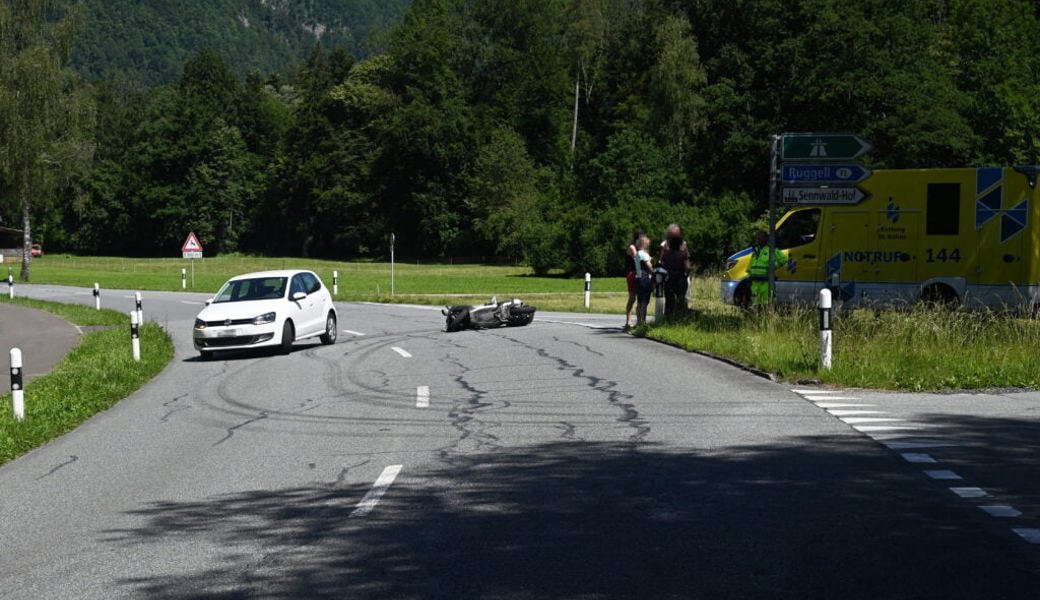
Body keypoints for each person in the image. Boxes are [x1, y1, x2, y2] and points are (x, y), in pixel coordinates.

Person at [658, 224, 692, 318]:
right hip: (680, 277)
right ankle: (680, 318)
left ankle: (668, 319)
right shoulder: (683, 252)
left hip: (669, 277)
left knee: (669, 300)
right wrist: (686, 274)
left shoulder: (666, 252)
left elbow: (661, 262)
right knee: (681, 299)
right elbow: (688, 267)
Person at [748, 229, 788, 307]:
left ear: (765, 239)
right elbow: (750, 267)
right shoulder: (755, 251)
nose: (758, 239)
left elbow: (783, 260)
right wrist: (749, 278)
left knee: (766, 305)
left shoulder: (771, 250)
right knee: (755, 305)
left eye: (760, 237)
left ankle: (766, 317)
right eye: (757, 237)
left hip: (765, 283)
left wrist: (773, 267)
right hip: (755, 284)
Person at [624, 228, 644, 329]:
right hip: (632, 274)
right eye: (642, 238)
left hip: (639, 274)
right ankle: (628, 320)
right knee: (632, 298)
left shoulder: (642, 248)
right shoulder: (632, 247)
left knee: (641, 298)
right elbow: (637, 260)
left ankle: (639, 321)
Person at [634, 234, 653, 326]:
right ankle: (643, 321)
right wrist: (653, 271)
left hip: (638, 278)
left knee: (639, 301)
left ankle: (638, 321)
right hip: (645, 278)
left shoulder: (637, 253)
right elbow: (648, 266)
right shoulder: (644, 254)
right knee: (644, 301)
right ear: (644, 244)